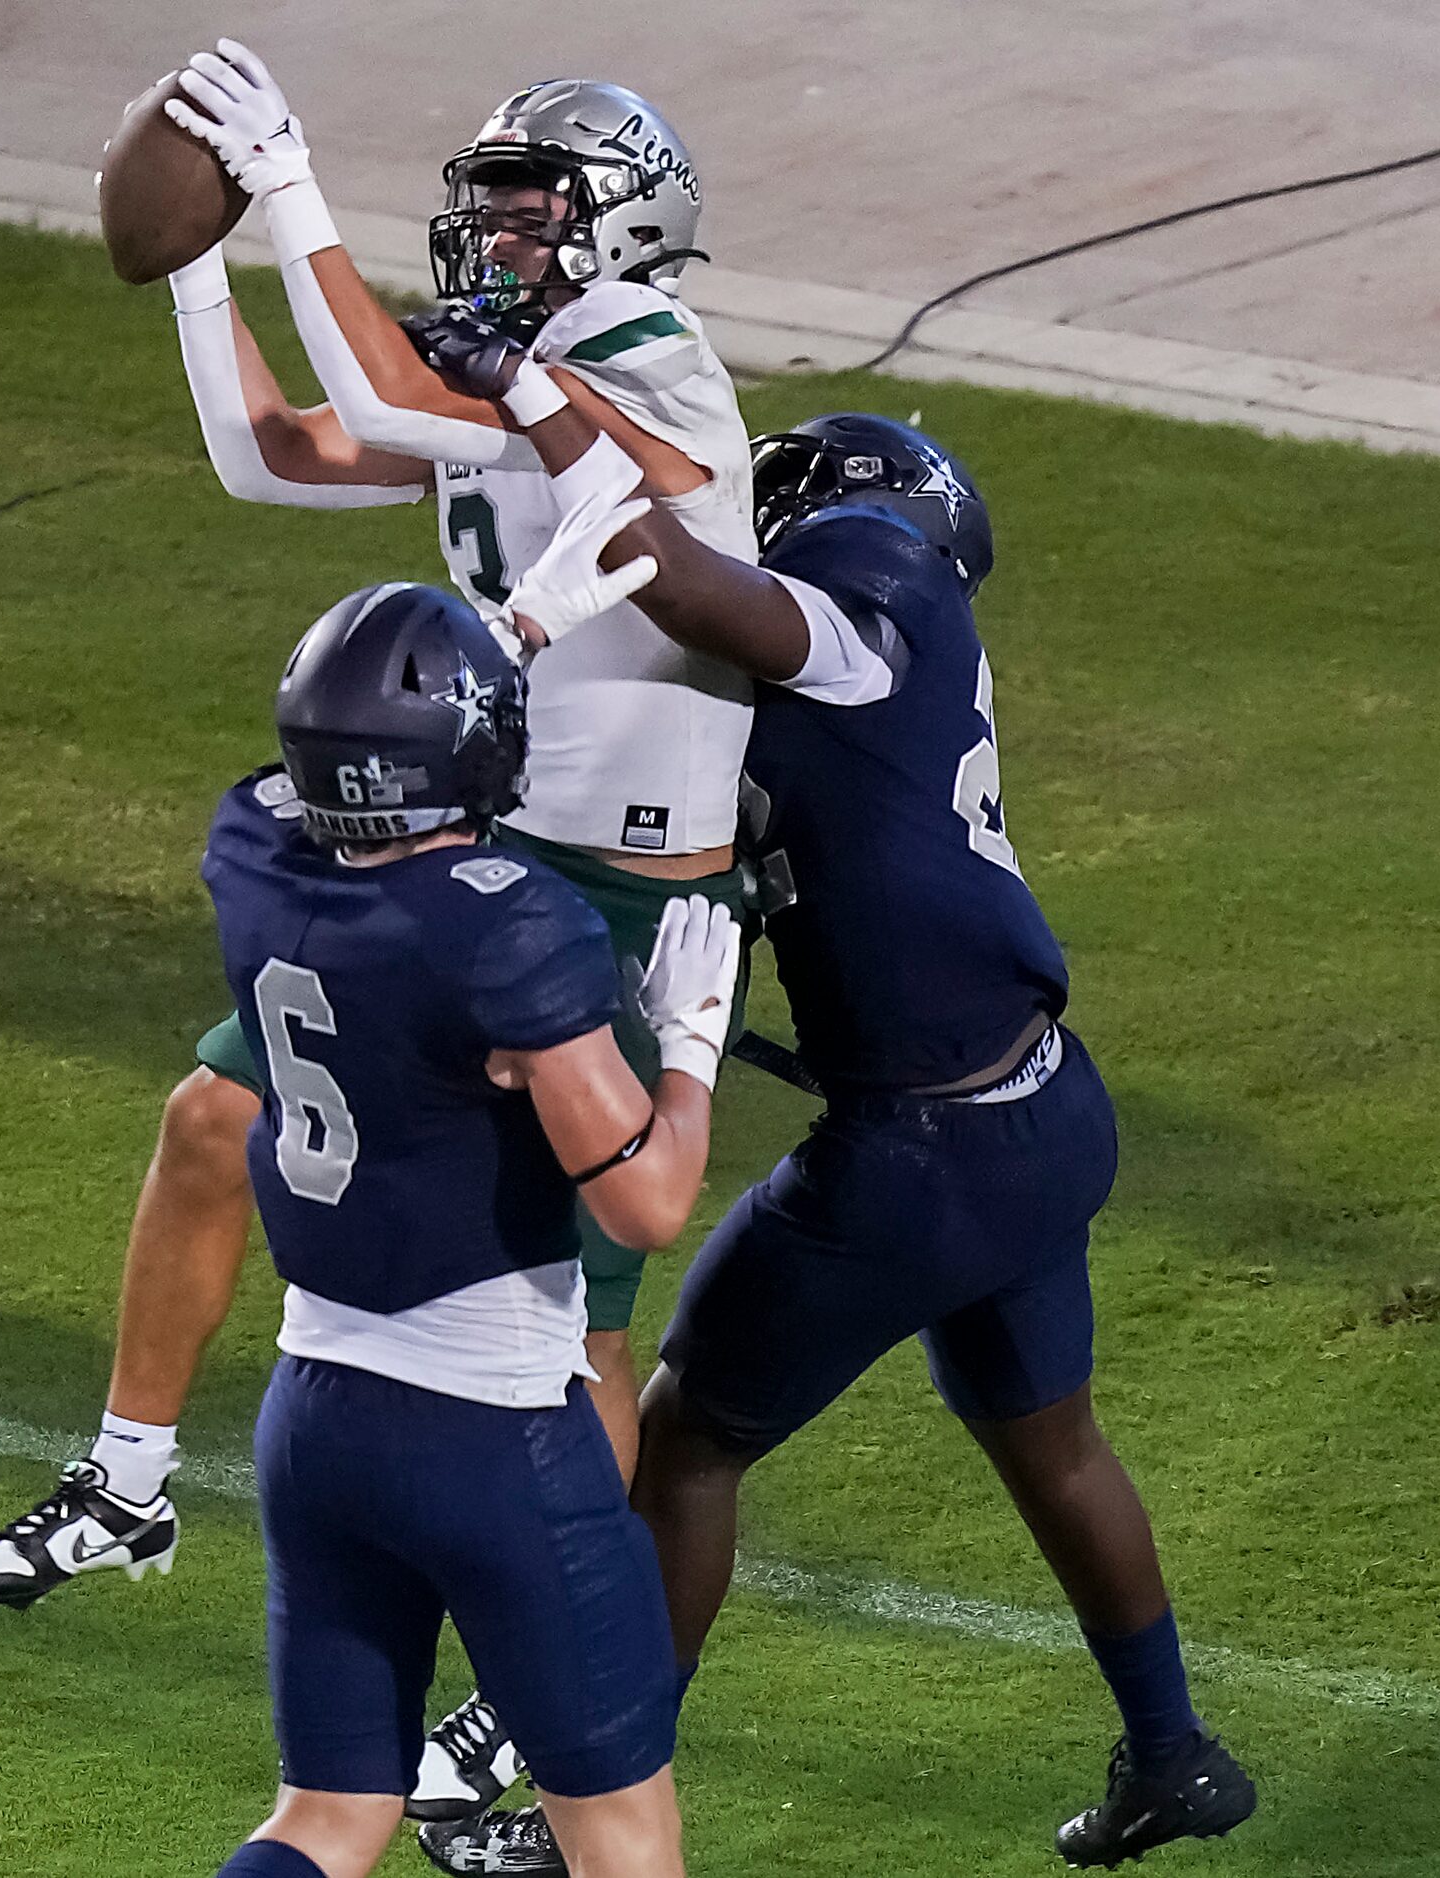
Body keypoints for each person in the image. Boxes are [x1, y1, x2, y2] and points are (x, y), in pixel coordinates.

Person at [0, 48, 754, 1802]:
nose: (499, 233)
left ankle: (541, 1673)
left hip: (617, 890)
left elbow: (385, 401)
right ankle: (127, 1475)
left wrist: (289, 184)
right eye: (493, 203)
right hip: (487, 858)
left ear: (624, 229)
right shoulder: (503, 380)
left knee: (582, 1317)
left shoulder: (647, 359)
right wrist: (197, 265)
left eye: (535, 206)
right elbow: (276, 451)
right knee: (216, 1114)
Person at [402, 326, 1258, 1872]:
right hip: (1042, 1110)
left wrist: (535, 400)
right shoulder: (907, 628)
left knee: (680, 1443)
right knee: (1048, 1440)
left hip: (917, 1149)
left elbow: (686, 579)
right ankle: (1175, 1751)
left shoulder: (867, 591)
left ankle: (582, 1811)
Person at [205, 570, 740, 1878]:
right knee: (619, 1837)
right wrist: (690, 1047)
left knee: (326, 1818)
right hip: (492, 1430)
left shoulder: (255, 851)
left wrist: (501, 632)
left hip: (316, 1417)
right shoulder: (509, 931)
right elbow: (647, 1200)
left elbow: (341, 776)